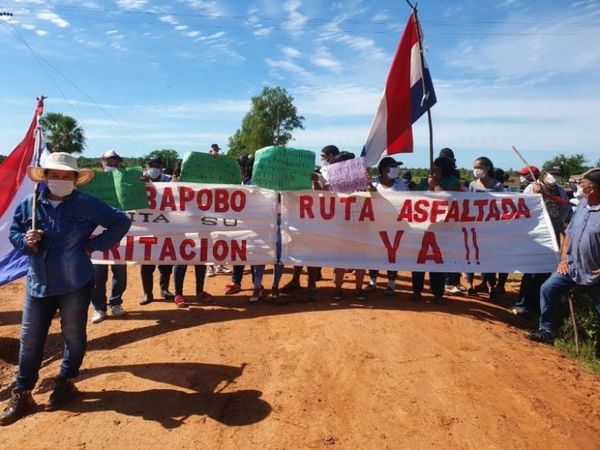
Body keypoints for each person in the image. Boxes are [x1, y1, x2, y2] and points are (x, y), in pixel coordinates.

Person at [0, 152, 131, 425]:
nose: (59, 180)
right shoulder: (30, 204)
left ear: (75, 179)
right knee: (30, 339)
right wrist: (26, 240)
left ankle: (65, 381)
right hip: (38, 284)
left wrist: (93, 245)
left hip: (75, 283)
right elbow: (14, 233)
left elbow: (121, 221)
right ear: (45, 177)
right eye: (54, 175)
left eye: (66, 176)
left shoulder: (86, 204)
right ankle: (22, 392)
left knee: (73, 335)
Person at [526, 169, 600, 360]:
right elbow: (569, 234)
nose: (578, 186)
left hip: (596, 273)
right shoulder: (582, 205)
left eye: (582, 183)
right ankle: (547, 331)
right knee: (548, 289)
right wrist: (563, 259)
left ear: (593, 189)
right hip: (572, 267)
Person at [512, 161, 571, 318]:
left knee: (546, 271)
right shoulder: (533, 187)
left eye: (558, 175)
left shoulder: (561, 192)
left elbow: (565, 210)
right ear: (545, 173)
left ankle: (538, 305)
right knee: (531, 271)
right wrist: (535, 195)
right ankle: (522, 305)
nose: (555, 177)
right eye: (553, 174)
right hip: (536, 236)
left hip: (553, 236)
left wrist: (558, 225)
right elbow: (523, 207)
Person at [410, 157, 461, 304]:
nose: (433, 171)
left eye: (437, 169)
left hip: (442, 228)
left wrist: (437, 186)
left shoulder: (453, 182)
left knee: (437, 261)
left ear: (444, 169)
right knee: (418, 259)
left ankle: (438, 293)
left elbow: (451, 200)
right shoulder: (426, 180)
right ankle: (417, 291)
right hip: (422, 226)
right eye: (433, 168)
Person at [90, 150, 128, 323]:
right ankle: (99, 308)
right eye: (108, 161)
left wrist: (145, 184)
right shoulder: (91, 182)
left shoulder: (128, 181)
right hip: (96, 235)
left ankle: (115, 303)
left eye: (114, 161)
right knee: (98, 275)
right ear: (101, 162)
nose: (111, 163)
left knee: (120, 274)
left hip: (122, 236)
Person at [367, 157, 407, 294]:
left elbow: (408, 202)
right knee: (374, 253)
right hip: (375, 224)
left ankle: (391, 283)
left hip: (395, 224)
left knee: (392, 254)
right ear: (384, 169)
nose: (396, 169)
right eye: (393, 166)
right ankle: (372, 281)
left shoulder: (401, 185)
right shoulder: (373, 183)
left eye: (397, 166)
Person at [467, 157, 504, 298]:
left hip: (491, 228)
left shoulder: (497, 186)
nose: (476, 170)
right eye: (475, 167)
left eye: (479, 167)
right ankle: (470, 285)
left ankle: (490, 285)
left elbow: (502, 205)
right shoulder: (472, 185)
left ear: (487, 168)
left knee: (489, 257)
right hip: (475, 226)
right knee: (471, 255)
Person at [139, 155, 175, 305]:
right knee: (147, 262)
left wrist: (176, 183)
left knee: (166, 262)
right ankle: (147, 293)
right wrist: (142, 184)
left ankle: (164, 289)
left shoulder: (169, 180)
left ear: (161, 166)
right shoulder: (140, 178)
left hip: (166, 226)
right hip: (147, 227)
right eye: (151, 164)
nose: (153, 166)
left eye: (156, 164)